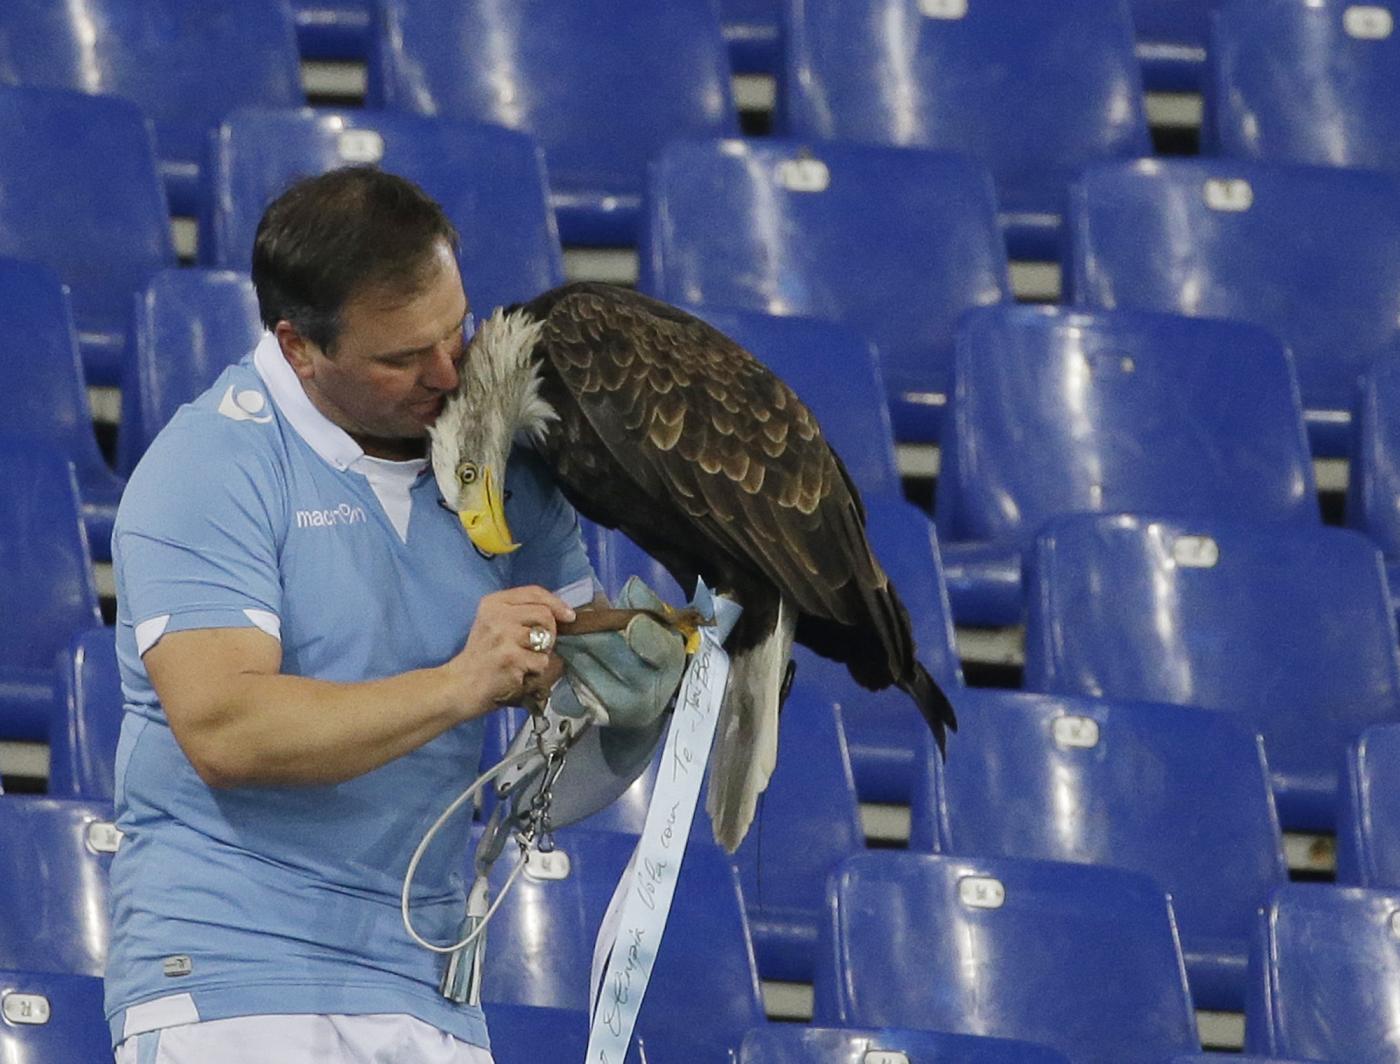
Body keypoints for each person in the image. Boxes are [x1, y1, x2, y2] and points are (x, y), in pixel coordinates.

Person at [104, 166, 602, 1063]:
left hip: (429, 981)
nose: (448, 374)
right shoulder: (210, 463)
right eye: (403, 358)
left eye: (456, 331)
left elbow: (579, 682)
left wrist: (657, 663)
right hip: (230, 976)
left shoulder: (501, 455)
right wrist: (461, 685)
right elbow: (228, 730)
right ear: (299, 347)